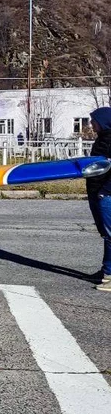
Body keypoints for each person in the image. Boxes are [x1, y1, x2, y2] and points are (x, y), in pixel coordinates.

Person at [86, 107, 111, 291]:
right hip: (97, 191)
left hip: (106, 193)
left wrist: (104, 191)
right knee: (105, 234)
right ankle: (107, 271)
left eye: (93, 120)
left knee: (110, 235)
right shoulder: (102, 139)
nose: (90, 124)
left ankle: (110, 275)